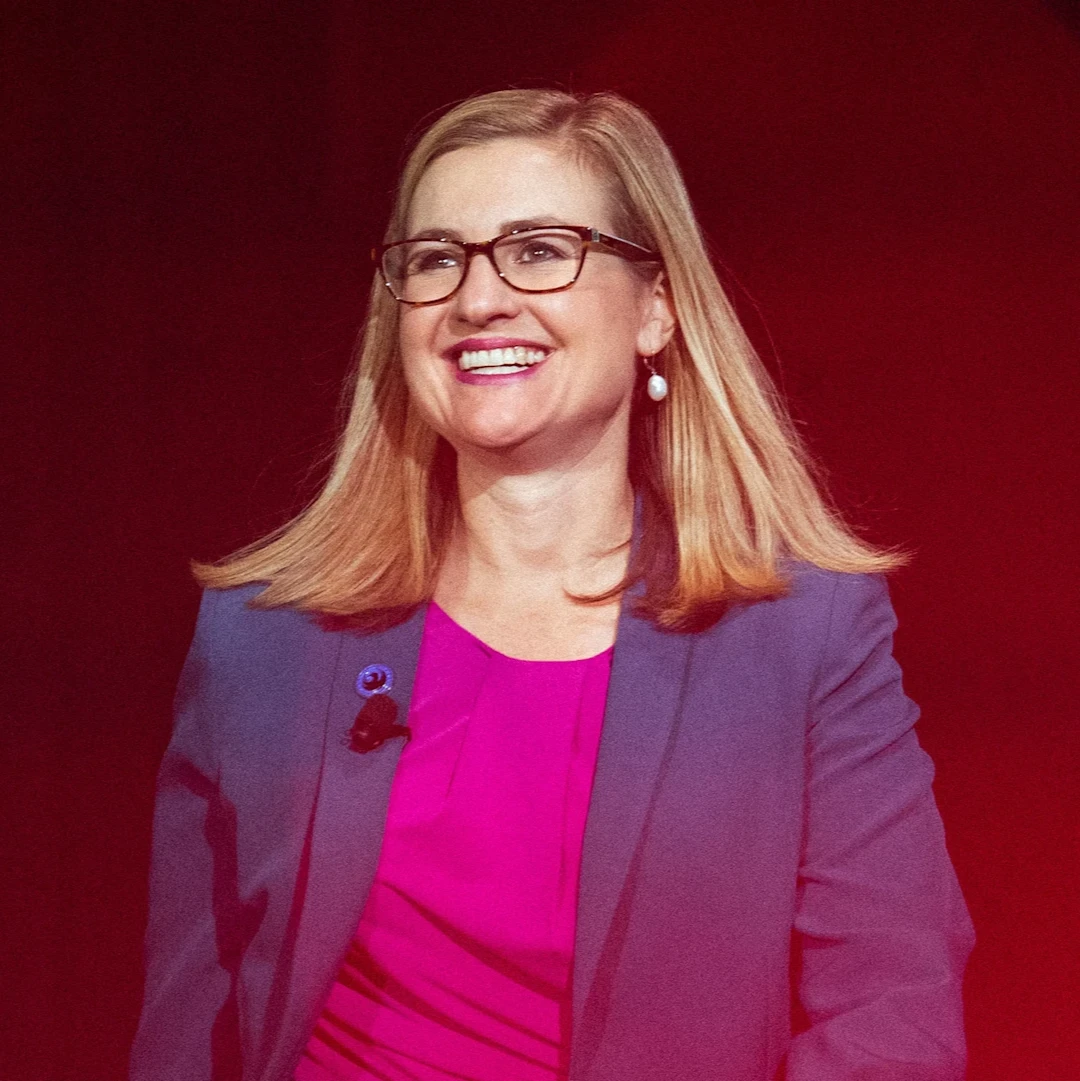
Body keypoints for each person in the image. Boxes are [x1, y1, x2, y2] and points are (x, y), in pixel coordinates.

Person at [130, 89, 974, 1081]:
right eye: (436, 259)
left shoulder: (805, 634)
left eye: (538, 249)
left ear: (655, 306)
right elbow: (188, 1033)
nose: (478, 299)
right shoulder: (262, 634)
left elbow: (895, 1007)